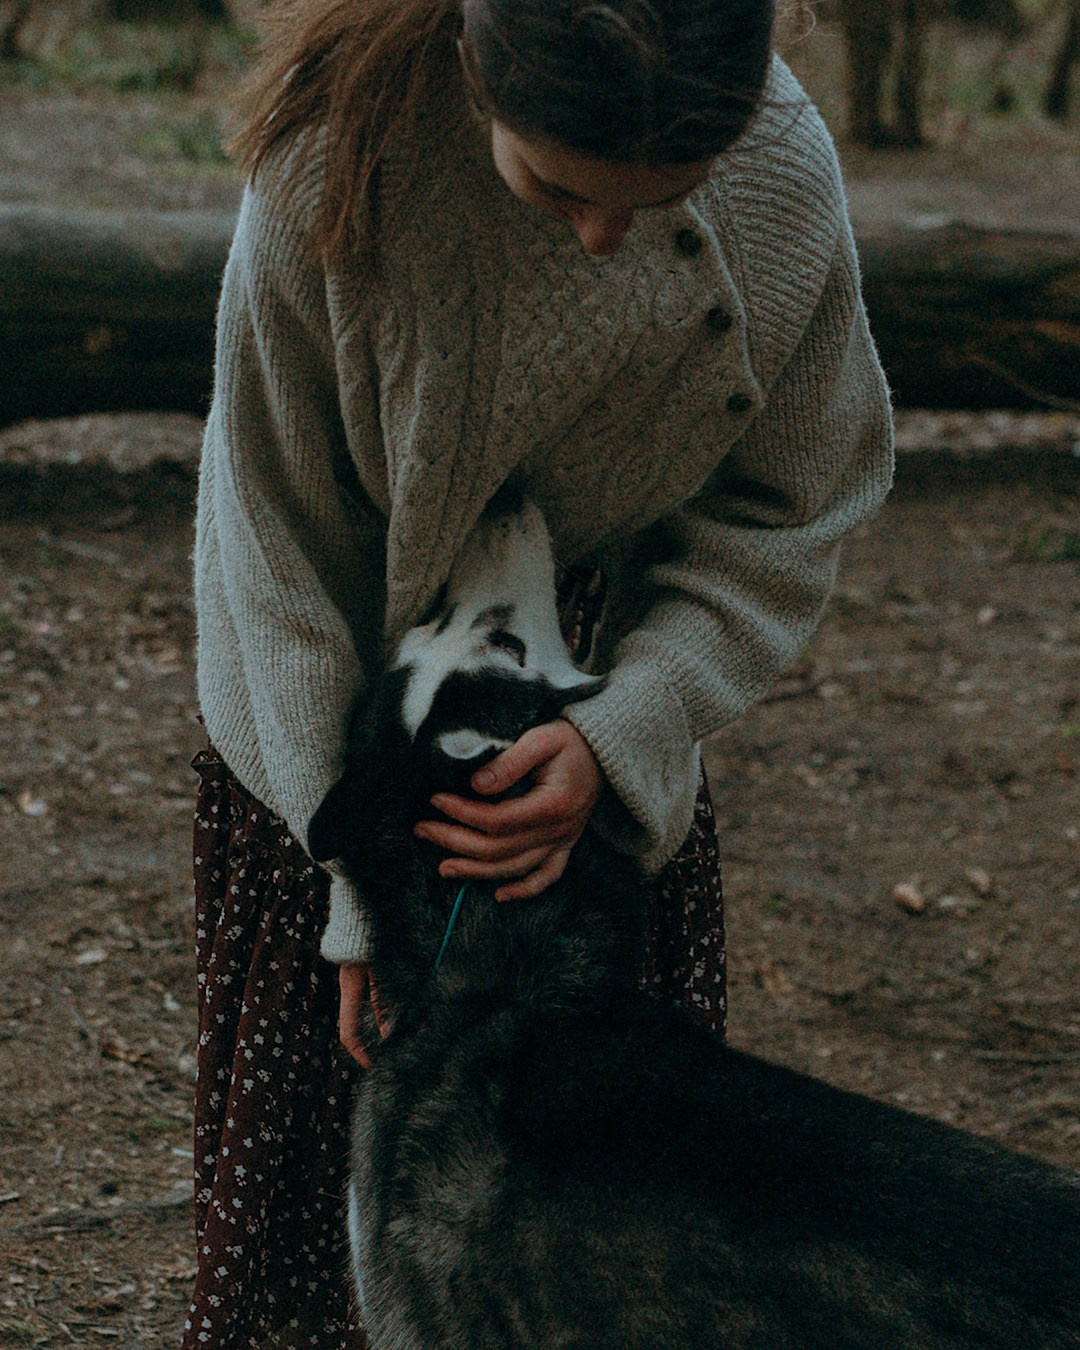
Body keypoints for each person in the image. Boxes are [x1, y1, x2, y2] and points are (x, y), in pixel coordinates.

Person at [185, 0, 894, 1345]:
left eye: (661, 197)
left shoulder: (778, 177)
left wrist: (628, 728)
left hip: (588, 703)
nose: (604, 236)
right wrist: (361, 896)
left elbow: (790, 504)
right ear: (477, 68)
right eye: (557, 189)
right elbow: (274, 558)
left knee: (617, 1244)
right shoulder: (335, 166)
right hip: (324, 752)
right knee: (314, 1223)